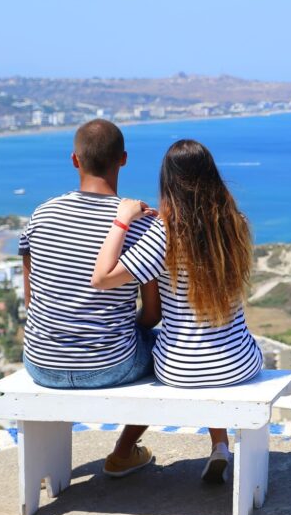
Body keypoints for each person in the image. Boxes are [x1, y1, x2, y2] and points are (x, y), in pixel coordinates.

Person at [91, 139, 263, 483]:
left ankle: (125, 448)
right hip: (238, 365)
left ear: (168, 181)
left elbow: (102, 278)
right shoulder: (236, 223)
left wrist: (122, 221)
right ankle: (219, 446)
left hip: (179, 370)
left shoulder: (164, 234)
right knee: (223, 344)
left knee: (152, 346)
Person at [19, 119, 160, 477]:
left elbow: (31, 300)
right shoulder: (141, 225)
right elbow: (152, 313)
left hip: (42, 363)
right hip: (111, 365)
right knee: (171, 348)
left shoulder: (41, 215)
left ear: (74, 160)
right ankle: (124, 452)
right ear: (123, 159)